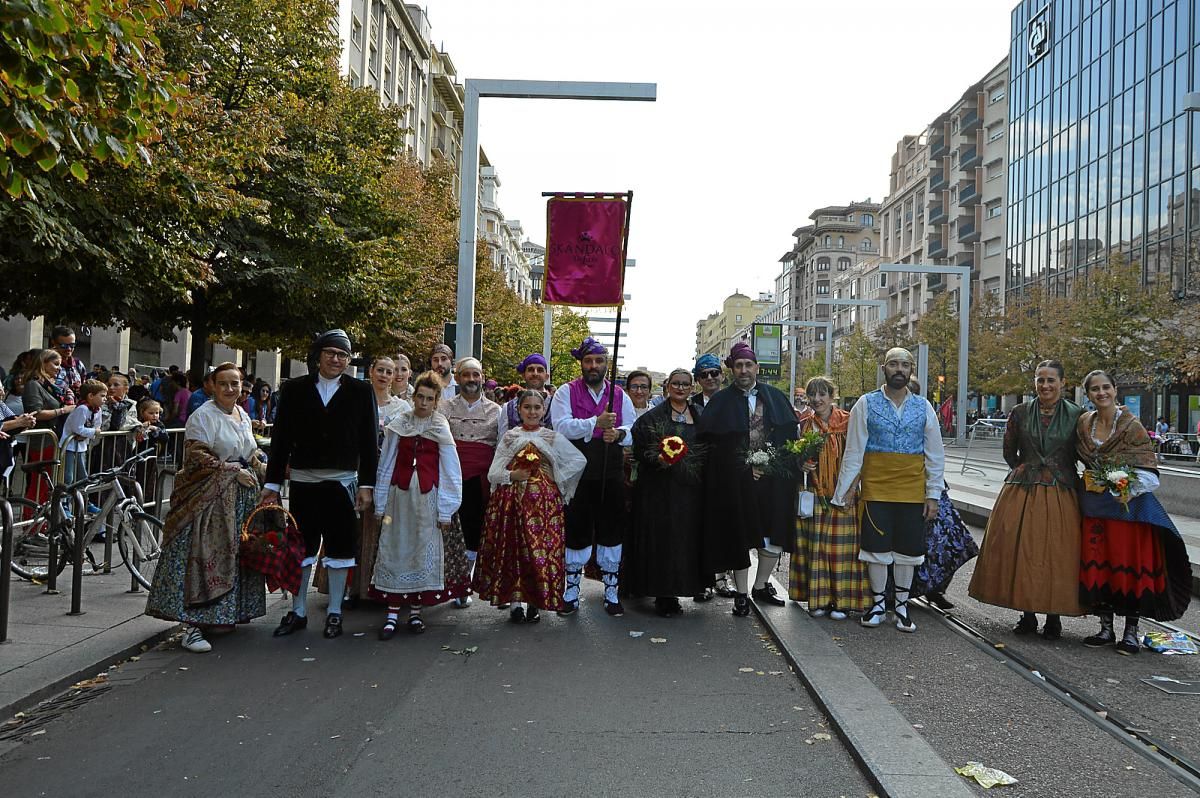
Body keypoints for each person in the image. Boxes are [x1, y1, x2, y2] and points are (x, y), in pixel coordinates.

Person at [263, 329, 378, 640]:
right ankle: (298, 610)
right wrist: (272, 483)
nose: (337, 359)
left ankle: (335, 612)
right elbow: (281, 440)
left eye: (343, 355)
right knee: (302, 547)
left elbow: (369, 444)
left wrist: (368, 486)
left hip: (342, 484)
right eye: (331, 353)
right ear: (318, 356)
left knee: (341, 548)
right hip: (303, 482)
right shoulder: (295, 389)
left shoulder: (359, 391)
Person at [145, 362, 268, 653]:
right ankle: (192, 626)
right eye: (223, 383)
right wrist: (230, 470)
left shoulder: (242, 414)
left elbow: (248, 448)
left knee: (233, 555)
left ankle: (223, 616)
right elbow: (198, 456)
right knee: (203, 554)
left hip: (237, 497)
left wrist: (259, 462)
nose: (229, 389)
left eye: (235, 383)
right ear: (212, 385)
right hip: (209, 499)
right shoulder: (203, 416)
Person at [1076, 369, 1192, 654]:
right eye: (1095, 389)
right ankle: (1105, 628)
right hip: (1094, 508)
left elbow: (1150, 473)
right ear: (1089, 394)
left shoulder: (1131, 427)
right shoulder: (1083, 424)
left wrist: (1121, 484)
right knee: (1098, 564)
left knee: (1128, 567)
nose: (1101, 393)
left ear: (1115, 390)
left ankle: (1130, 631)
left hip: (1129, 510)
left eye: (1106, 388)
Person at [831, 347, 945, 633]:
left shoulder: (924, 407)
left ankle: (902, 607)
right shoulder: (866, 404)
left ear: (910, 370)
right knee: (875, 549)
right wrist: (843, 491)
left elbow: (935, 453)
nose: (899, 369)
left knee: (908, 550)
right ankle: (879, 604)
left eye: (904, 365)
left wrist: (933, 494)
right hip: (876, 488)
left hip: (911, 490)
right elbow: (854, 449)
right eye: (893, 364)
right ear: (884, 367)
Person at [968, 360, 1082, 637]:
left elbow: (1083, 452)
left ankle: (1054, 616)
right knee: (1023, 551)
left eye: (1050, 380)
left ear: (1062, 383)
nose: (1045, 385)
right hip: (1023, 488)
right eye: (1040, 380)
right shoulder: (1019, 412)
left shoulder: (1078, 415)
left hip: (1061, 491)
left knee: (1059, 554)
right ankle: (1028, 613)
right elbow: (1009, 451)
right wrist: (1025, 469)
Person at [697, 342, 800, 617]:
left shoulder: (775, 397)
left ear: (757, 367)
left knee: (771, 535)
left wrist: (773, 465)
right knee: (738, 535)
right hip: (733, 483)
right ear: (732, 369)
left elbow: (789, 438)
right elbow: (711, 447)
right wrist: (743, 467)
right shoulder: (720, 402)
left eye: (748, 365)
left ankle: (761, 585)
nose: (744, 370)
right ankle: (741, 594)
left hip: (773, 481)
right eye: (738, 365)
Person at [474, 389, 586, 622]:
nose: (532, 411)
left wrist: (556, 476)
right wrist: (512, 475)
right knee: (515, 551)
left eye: (537, 407)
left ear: (544, 410)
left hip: (544, 507)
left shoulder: (551, 437)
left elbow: (578, 460)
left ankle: (535, 600)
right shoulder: (511, 437)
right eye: (527, 407)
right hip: (512, 504)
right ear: (519, 410)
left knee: (539, 552)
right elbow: (494, 472)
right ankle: (516, 603)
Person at [371, 372, 464, 637]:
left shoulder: (439, 426)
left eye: (429, 399)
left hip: (427, 498)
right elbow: (386, 463)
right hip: (398, 498)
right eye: (420, 397)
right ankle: (391, 614)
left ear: (436, 401)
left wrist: (446, 508)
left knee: (421, 551)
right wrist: (380, 503)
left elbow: (450, 469)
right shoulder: (399, 423)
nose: (424, 403)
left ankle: (414, 612)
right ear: (413, 397)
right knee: (396, 547)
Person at [549, 337, 636, 617]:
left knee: (612, 529)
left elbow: (633, 426)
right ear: (581, 364)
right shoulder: (566, 391)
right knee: (577, 529)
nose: (593, 366)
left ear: (607, 365)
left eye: (599, 361)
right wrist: (594, 424)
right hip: (578, 473)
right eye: (588, 361)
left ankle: (611, 590)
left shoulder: (619, 395)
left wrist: (619, 434)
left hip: (610, 471)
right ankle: (571, 590)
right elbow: (561, 426)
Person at [625, 368, 709, 616]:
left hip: (692, 492)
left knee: (688, 540)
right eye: (676, 383)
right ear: (667, 386)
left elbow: (710, 447)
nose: (680, 388)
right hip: (659, 492)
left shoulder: (702, 416)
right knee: (663, 542)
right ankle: (664, 593)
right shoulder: (652, 418)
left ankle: (693, 585)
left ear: (692, 388)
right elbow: (641, 448)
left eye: (685, 384)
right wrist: (659, 459)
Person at [789, 377, 868, 619]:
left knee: (842, 551)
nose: (817, 399)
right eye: (812, 395)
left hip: (842, 492)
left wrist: (852, 489)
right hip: (814, 493)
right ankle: (819, 599)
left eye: (822, 394)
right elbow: (794, 457)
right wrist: (801, 464)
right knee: (817, 549)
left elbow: (859, 458)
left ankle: (842, 601)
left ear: (832, 396)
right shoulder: (803, 424)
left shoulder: (848, 421)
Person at [905, 379, 979, 610]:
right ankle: (902, 590)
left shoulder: (925, 414)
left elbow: (935, 452)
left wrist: (934, 491)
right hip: (903, 486)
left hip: (931, 486)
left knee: (953, 539)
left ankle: (935, 587)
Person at [440, 357, 500, 607]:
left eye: (476, 375)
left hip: (482, 478)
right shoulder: (444, 407)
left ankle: (465, 583)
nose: (472, 380)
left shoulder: (496, 411)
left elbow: (502, 444)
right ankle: (451, 581)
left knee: (475, 529)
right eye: (466, 375)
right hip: (452, 475)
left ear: (482, 378)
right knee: (451, 528)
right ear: (458, 377)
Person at [690, 353, 732, 599]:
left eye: (714, 373)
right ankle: (702, 581)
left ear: (721, 375)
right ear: (698, 379)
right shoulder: (691, 403)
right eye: (704, 374)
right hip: (697, 472)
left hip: (726, 474)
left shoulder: (733, 401)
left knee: (723, 528)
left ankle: (721, 578)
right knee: (699, 527)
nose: (710, 378)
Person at [21, 349, 75, 504]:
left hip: (53, 439)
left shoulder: (50, 385)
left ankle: (43, 521)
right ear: (43, 363)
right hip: (42, 441)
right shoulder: (33, 384)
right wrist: (63, 410)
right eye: (55, 364)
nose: (59, 368)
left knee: (48, 485)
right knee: (39, 485)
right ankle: (30, 521)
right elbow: (35, 412)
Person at [61, 379, 106, 488]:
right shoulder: (82, 408)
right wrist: (93, 432)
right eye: (102, 396)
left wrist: (93, 431)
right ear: (91, 396)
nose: (105, 399)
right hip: (69, 446)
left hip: (82, 445)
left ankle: (83, 500)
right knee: (68, 476)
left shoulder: (98, 410)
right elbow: (78, 428)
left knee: (82, 475)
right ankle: (64, 500)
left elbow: (97, 425)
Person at [498, 353, 554, 436]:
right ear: (524, 375)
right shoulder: (508, 408)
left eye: (540, 370)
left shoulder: (556, 405)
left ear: (546, 376)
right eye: (531, 369)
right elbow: (502, 442)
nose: (535, 373)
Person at [49, 326, 86, 406]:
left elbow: (85, 386)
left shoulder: (78, 364)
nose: (69, 349)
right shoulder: (46, 364)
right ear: (54, 343)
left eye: (72, 345)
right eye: (64, 345)